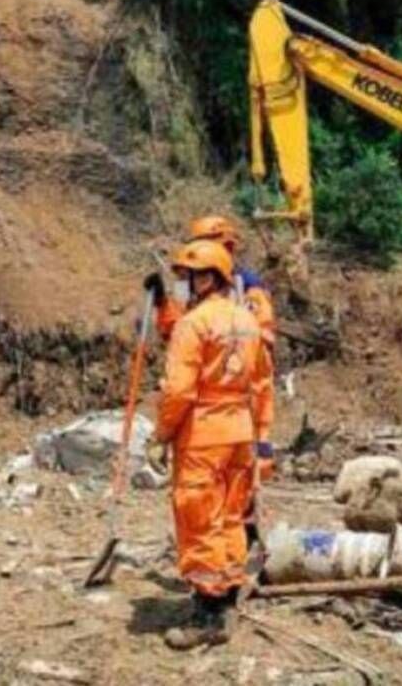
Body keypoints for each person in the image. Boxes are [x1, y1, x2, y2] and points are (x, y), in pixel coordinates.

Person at [145, 240, 264, 651]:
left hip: (204, 433)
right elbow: (260, 380)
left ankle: (209, 614)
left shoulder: (193, 325)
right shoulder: (246, 321)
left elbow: (179, 390)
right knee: (231, 515)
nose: (185, 284)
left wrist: (161, 434)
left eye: (189, 276)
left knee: (198, 518)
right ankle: (228, 593)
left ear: (207, 276)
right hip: (240, 430)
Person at [146, 216, 279, 541]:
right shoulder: (193, 286)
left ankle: (228, 567)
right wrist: (163, 302)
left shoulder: (249, 290)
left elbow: (259, 359)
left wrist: (261, 429)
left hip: (231, 402)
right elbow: (176, 330)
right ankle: (228, 566)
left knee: (223, 497)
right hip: (216, 406)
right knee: (220, 500)